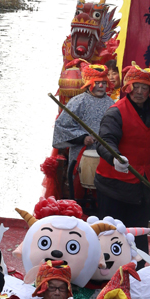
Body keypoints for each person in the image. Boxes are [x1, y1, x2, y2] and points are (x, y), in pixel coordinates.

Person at [93, 63, 150, 225]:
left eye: (144, 88)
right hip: (113, 186)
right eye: (135, 87)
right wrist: (115, 158)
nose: (140, 92)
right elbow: (105, 141)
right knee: (111, 235)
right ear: (128, 87)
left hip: (142, 187)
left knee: (137, 235)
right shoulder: (115, 112)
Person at [52, 63, 114, 203]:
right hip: (81, 153)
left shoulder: (112, 104)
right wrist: (82, 138)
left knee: (102, 195)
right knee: (78, 194)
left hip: (104, 155)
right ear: (88, 84)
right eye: (97, 83)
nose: (100, 86)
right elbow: (61, 126)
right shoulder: (77, 102)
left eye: (103, 83)